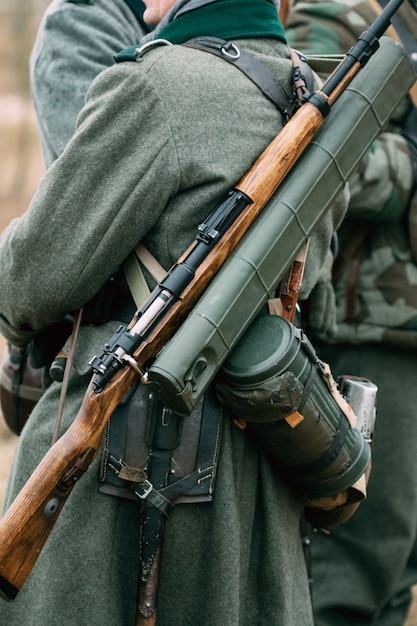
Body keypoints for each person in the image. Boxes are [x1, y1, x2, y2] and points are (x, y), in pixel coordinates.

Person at [0, 0, 353, 624]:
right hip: (259, 485)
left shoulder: (155, 86)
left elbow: (31, 281)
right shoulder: (320, 102)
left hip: (120, 476)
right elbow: (313, 296)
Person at [285, 0, 417, 624]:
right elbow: (304, 145)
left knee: (396, 571)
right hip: (369, 332)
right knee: (352, 575)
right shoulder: (335, 20)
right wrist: (406, 164)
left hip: (406, 333)